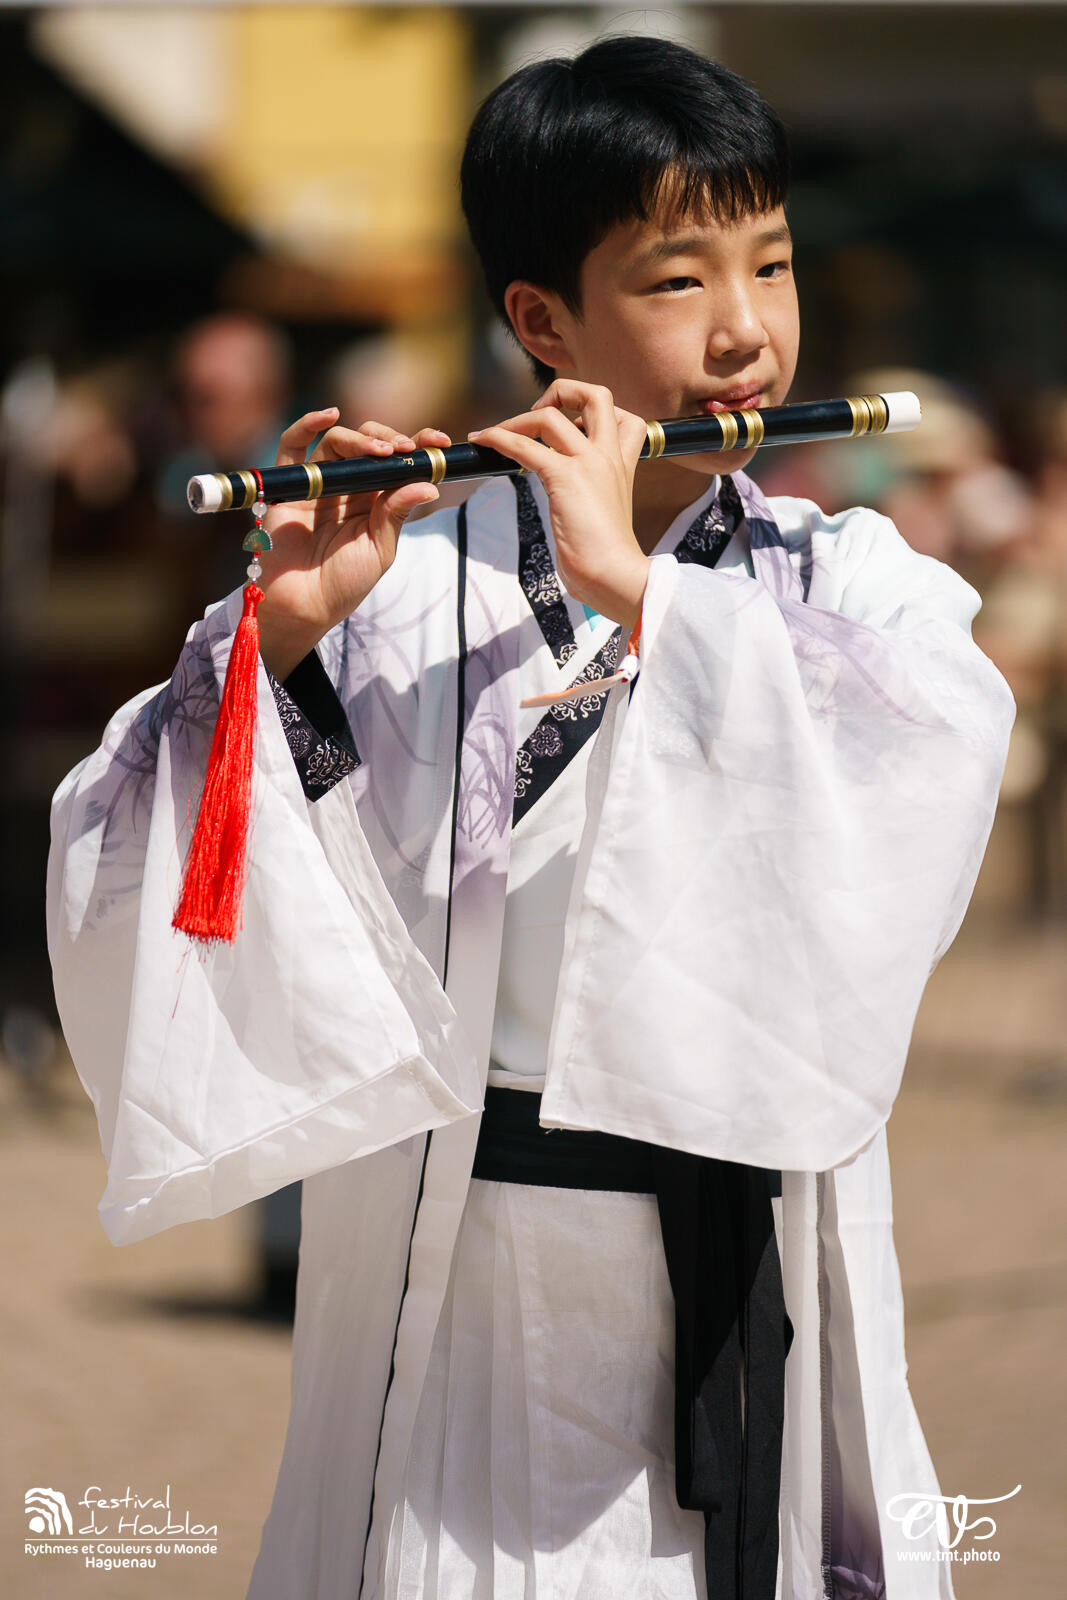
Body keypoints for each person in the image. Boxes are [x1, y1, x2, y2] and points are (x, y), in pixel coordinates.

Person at [47, 37, 1014, 1600]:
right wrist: (280, 638)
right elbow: (173, 873)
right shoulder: (407, 583)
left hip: (736, 1257)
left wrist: (647, 602)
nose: (748, 332)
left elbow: (930, 770)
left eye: (770, 264)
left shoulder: (849, 583)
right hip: (462, 1266)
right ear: (542, 322)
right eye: (677, 282)